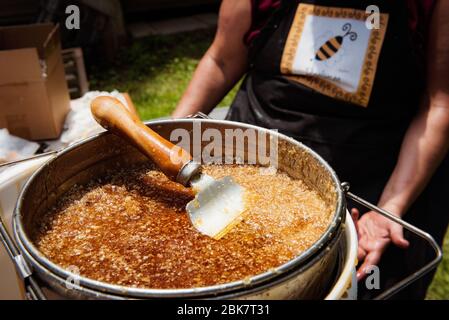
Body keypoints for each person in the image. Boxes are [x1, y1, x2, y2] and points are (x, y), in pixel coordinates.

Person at [172, 0, 449, 299]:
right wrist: (166, 144)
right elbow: (222, 60)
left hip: (379, 181)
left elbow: (439, 104)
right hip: (254, 160)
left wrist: (389, 209)